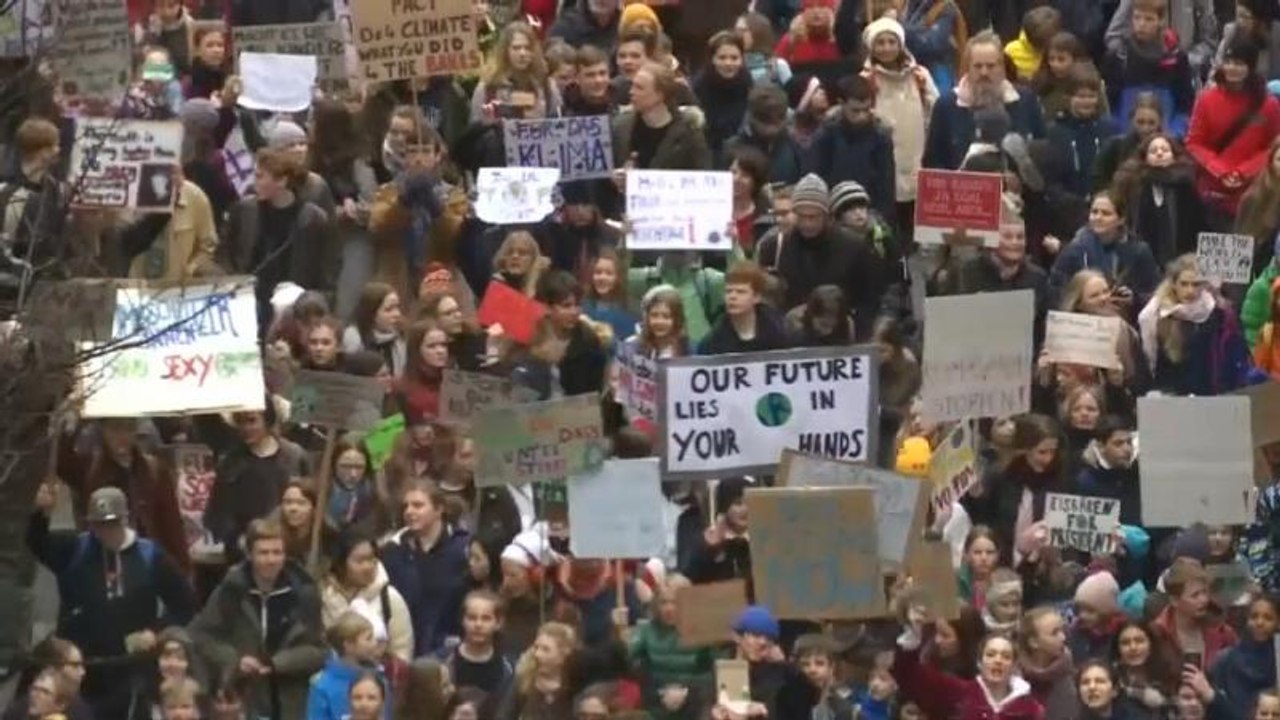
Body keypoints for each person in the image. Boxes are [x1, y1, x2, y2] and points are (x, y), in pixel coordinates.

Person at [27, 486, 195, 719]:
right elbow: (37, 543)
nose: (106, 532)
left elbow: (185, 603)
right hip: (81, 669)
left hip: (130, 668)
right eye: (99, 525)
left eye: (112, 524)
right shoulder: (75, 549)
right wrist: (41, 513)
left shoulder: (150, 555)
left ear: (126, 519)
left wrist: (157, 632)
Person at [189, 519, 327, 720]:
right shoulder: (231, 591)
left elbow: (319, 650)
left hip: (292, 699)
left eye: (277, 552)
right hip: (244, 696)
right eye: (263, 553)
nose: (271, 560)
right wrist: (235, 660)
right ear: (250, 554)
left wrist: (277, 663)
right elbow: (200, 635)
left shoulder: (303, 593)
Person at [755, 174, 881, 337]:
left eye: (813, 217)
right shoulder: (774, 247)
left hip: (840, 338)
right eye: (801, 216)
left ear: (826, 214)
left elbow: (868, 298)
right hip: (791, 340)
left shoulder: (853, 247)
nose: (807, 223)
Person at [1186, 37, 1280, 225]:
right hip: (1212, 191)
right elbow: (1194, 142)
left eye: (1238, 63)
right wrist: (1221, 171)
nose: (1232, 68)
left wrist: (1243, 172)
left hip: (1253, 192)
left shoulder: (1268, 105)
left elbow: (1274, 146)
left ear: (1250, 68)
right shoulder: (1206, 99)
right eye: (1228, 62)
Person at [923, 31, 1046, 170]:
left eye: (990, 66)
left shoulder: (1025, 101)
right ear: (968, 68)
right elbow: (933, 163)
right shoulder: (946, 106)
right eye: (977, 66)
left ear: (1002, 68)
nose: (984, 73)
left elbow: (1041, 156)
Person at [1137, 254, 1250, 395]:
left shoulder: (1215, 313)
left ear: (1204, 285)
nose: (1190, 291)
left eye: (1196, 284)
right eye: (1184, 284)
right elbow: (1152, 360)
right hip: (1170, 394)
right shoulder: (1156, 315)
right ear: (1173, 284)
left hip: (1206, 392)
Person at [381, 482, 470, 657]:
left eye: (418, 505)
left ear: (439, 509)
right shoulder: (393, 551)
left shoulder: (462, 548)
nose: (409, 511)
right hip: (405, 645)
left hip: (448, 645)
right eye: (406, 506)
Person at [804, 75, 897, 222]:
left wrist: (880, 217)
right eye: (855, 111)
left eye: (866, 110)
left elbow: (886, 183)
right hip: (833, 212)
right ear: (841, 104)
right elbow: (816, 176)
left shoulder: (880, 135)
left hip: (869, 213)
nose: (862, 116)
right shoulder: (826, 134)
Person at [321, 531, 414, 664]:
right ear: (340, 564)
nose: (367, 566)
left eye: (371, 559)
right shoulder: (325, 598)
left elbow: (402, 652)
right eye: (359, 561)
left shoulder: (389, 598)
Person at [611, 61, 713, 173]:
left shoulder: (689, 133)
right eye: (632, 86)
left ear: (660, 94)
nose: (631, 92)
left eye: (639, 88)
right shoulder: (620, 127)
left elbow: (702, 174)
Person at [305, 610, 388, 720]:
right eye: (368, 638)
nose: (374, 643)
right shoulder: (322, 685)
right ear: (349, 645)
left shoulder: (379, 679)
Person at [698, 261, 790, 354]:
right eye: (728, 291)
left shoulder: (782, 333)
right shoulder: (712, 342)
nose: (732, 296)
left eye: (740, 292)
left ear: (756, 297)